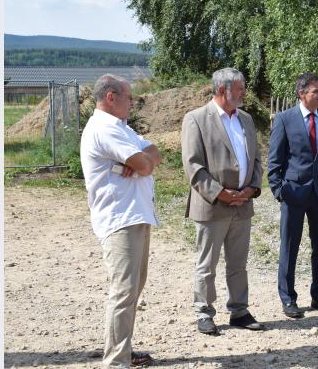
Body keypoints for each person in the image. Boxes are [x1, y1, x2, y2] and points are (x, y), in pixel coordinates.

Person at [80, 74, 162, 368]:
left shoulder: (121, 128)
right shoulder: (105, 129)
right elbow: (144, 163)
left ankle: (122, 351)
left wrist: (140, 162)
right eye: (129, 97)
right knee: (124, 290)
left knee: (132, 289)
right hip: (119, 218)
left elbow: (154, 154)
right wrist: (140, 163)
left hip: (135, 214)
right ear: (111, 98)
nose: (133, 102)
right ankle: (116, 361)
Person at [181, 68, 265, 335]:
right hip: (213, 205)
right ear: (222, 90)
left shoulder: (246, 120)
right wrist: (221, 193)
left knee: (238, 263)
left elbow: (257, 159)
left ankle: (239, 310)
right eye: (239, 89)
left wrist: (251, 188)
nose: (243, 93)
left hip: (242, 205)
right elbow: (193, 166)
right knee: (207, 264)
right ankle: (204, 312)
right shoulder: (196, 119)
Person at [267, 72, 318, 318]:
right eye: (316, 92)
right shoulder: (285, 119)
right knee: (290, 246)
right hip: (294, 193)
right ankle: (288, 298)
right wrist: (279, 190)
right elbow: (275, 160)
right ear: (302, 94)